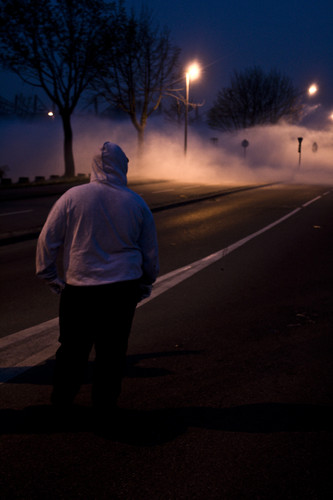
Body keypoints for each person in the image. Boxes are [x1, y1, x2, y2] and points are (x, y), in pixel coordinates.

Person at [36, 142, 159, 415]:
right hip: (122, 288)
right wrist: (146, 281)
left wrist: (50, 276)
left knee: (71, 349)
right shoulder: (135, 202)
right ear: (122, 166)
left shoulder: (72, 197)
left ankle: (62, 402)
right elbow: (149, 250)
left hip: (79, 288)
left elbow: (48, 240)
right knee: (112, 351)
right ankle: (105, 404)